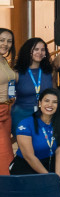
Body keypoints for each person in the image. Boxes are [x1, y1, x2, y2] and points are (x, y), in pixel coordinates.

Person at [11, 89, 60, 192]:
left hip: (49, 160)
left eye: (55, 102)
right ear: (40, 103)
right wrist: (49, 178)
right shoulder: (26, 124)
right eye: (47, 101)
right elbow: (29, 156)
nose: (50, 105)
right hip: (26, 163)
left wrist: (57, 179)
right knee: (38, 186)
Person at [13, 38, 53, 129]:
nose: (40, 52)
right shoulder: (16, 72)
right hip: (22, 115)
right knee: (25, 143)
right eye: (36, 49)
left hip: (45, 115)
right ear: (28, 51)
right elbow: (9, 95)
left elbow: (54, 93)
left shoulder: (50, 71)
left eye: (43, 50)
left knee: (43, 142)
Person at [0, 29, 14, 175]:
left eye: (9, 41)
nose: (5, 44)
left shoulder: (3, 60)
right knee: (5, 157)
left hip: (6, 111)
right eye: (2, 40)